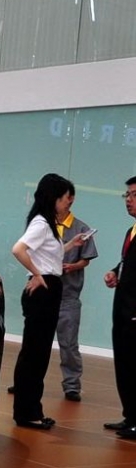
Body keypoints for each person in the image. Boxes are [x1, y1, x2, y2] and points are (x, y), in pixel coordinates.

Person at [10, 173, 84, 430]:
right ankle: (27, 412)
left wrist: (71, 244)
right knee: (35, 354)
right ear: (54, 198)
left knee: (37, 353)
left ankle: (31, 410)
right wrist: (37, 274)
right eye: (65, 199)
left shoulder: (48, 223)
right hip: (44, 290)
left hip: (49, 289)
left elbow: (50, 254)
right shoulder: (41, 223)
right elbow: (18, 249)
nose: (67, 204)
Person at [55, 186, 97, 402]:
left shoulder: (81, 228)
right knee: (36, 342)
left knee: (69, 345)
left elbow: (86, 260)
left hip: (68, 296)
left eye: (61, 197)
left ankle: (72, 385)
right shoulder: (44, 225)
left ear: (70, 199)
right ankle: (27, 382)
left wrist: (72, 267)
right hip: (45, 293)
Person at [103, 176, 136, 440]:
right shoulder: (131, 231)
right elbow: (128, 264)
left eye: (134, 195)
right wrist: (115, 272)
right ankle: (130, 415)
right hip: (123, 310)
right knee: (125, 366)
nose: (128, 200)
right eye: (127, 195)